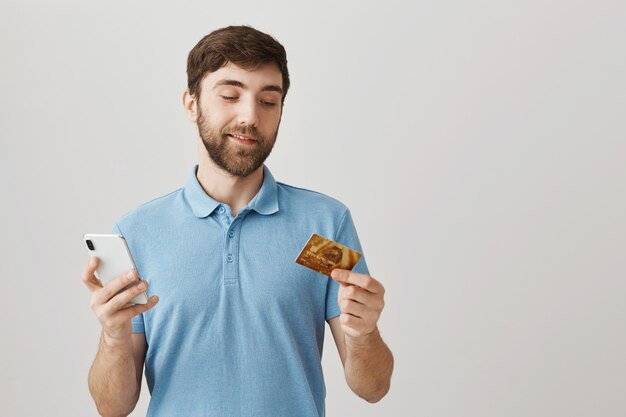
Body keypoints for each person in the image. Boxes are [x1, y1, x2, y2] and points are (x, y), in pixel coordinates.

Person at [81, 25, 393, 417]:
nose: (250, 116)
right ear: (191, 103)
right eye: (230, 95)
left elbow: (373, 388)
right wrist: (113, 336)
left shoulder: (322, 228)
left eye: (268, 101)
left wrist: (364, 333)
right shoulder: (138, 234)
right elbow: (112, 407)